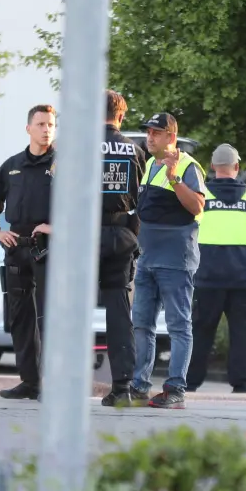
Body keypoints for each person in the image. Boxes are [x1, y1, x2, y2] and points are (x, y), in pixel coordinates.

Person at [0, 105, 57, 400]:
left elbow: (82, 204)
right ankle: (30, 382)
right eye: (40, 124)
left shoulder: (64, 165)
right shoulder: (13, 165)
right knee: (21, 317)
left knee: (49, 319)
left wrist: (56, 227)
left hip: (49, 251)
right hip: (16, 249)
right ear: (28, 128)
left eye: (50, 124)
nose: (46, 129)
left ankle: (52, 383)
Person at [127, 112, 205, 408]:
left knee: (178, 325)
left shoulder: (187, 166)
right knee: (142, 323)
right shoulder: (149, 164)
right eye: (148, 132)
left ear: (171, 136)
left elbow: (197, 206)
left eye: (156, 133)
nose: (149, 137)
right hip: (147, 258)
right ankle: (139, 384)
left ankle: (176, 390)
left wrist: (174, 181)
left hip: (176, 259)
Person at [187, 144, 246, 393]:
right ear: (237, 167)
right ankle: (242, 383)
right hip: (243, 276)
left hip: (207, 275)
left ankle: (190, 382)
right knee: (242, 332)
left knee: (201, 331)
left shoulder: (201, 196)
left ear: (212, 167)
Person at [98, 90, 146, 403]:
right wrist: (133, 236)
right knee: (118, 311)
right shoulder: (136, 150)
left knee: (70, 310)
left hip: (84, 236)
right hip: (121, 236)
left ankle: (63, 381)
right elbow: (142, 201)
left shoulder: (82, 144)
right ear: (122, 116)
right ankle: (122, 387)